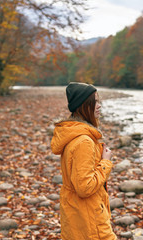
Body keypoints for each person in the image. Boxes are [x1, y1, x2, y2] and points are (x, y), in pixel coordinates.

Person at [51, 82, 117, 240]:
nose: (99, 106)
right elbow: (84, 187)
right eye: (95, 102)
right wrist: (105, 162)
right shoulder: (84, 141)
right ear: (84, 106)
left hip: (76, 212)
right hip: (89, 217)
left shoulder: (72, 133)